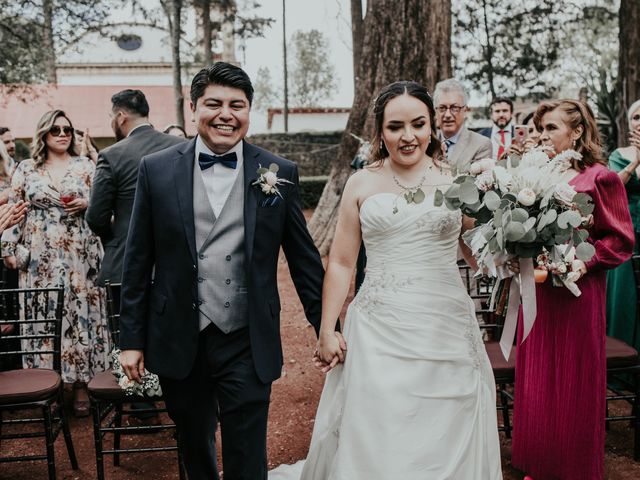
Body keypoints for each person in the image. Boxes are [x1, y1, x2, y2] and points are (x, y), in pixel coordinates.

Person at [270, 81, 502, 479]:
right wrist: (327, 329)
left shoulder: (455, 182)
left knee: (447, 420)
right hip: (379, 328)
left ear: (432, 127)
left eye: (418, 124)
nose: (408, 136)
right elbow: (342, 263)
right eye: (396, 126)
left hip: (445, 325)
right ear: (381, 131)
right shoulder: (361, 183)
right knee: (381, 422)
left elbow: (474, 250)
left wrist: (511, 236)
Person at [118, 62, 327, 480]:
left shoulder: (278, 173)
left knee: (247, 453)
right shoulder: (156, 170)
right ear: (193, 107)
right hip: (180, 334)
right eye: (214, 103)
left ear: (249, 111)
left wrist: (327, 327)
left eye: (238, 105)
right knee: (194, 446)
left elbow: (304, 262)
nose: (226, 114)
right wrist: (132, 340)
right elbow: (138, 261)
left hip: (247, 338)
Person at [511, 100, 634, 480]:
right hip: (539, 292)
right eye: (539, 129)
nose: (542, 136)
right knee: (538, 379)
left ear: (577, 131)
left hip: (579, 295)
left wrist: (585, 262)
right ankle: (539, 463)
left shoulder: (600, 178)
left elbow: (620, 239)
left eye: (550, 128)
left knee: (574, 379)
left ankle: (574, 468)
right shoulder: (532, 177)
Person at [0, 110, 109, 417]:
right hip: (40, 257)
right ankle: (47, 386)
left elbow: (102, 204)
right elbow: (14, 209)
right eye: (56, 129)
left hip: (80, 254)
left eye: (68, 130)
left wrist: (86, 203)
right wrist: (8, 247)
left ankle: (81, 387)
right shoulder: (26, 168)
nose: (63, 134)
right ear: (44, 134)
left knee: (80, 317)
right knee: (45, 317)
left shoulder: (86, 165)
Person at [86, 89, 186, 286]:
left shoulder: (111, 155)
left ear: (121, 117)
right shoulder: (182, 147)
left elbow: (96, 217)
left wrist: (119, 232)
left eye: (111, 117)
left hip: (127, 262)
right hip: (177, 262)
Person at [606, 98, 640, 353]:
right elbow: (611, 188)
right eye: (637, 118)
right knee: (625, 298)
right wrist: (636, 161)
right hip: (626, 235)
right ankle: (624, 358)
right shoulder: (619, 155)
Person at [433, 78, 492, 173]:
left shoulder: (481, 144)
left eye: (454, 108)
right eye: (442, 108)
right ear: (435, 112)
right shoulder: (427, 141)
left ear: (465, 111)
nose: (447, 115)